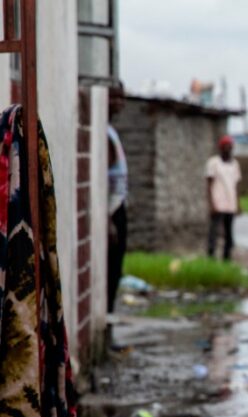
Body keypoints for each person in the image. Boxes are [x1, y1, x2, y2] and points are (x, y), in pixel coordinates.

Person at [107, 84, 129, 313]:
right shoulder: (104, 134)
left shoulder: (110, 131)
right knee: (111, 270)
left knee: (115, 269)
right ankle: (108, 315)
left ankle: (109, 314)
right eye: (114, 97)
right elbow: (102, 181)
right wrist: (108, 220)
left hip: (117, 206)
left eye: (121, 98)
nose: (119, 103)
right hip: (112, 212)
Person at [206, 134, 242, 261]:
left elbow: (236, 186)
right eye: (226, 146)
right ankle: (211, 256)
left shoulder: (235, 164)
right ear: (221, 148)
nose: (228, 149)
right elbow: (209, 184)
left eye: (230, 146)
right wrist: (211, 204)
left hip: (230, 203)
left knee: (229, 232)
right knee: (214, 231)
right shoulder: (213, 163)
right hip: (218, 203)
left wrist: (238, 204)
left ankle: (227, 257)